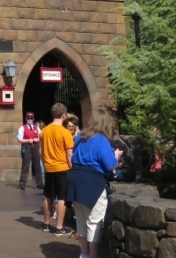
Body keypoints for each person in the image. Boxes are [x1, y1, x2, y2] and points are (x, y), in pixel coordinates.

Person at [66, 110, 123, 258]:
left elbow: (73, 158)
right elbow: (110, 164)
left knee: (81, 222)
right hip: (92, 184)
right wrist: (116, 156)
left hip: (74, 181)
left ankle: (84, 255)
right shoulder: (101, 139)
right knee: (94, 224)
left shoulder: (80, 137)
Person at [40, 102, 74, 235]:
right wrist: (72, 168)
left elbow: (41, 152)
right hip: (62, 168)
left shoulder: (44, 131)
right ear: (64, 115)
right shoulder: (65, 132)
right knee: (61, 197)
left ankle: (46, 224)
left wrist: (45, 163)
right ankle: (59, 227)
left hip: (49, 168)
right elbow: (69, 154)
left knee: (48, 196)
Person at [17, 111, 44, 190]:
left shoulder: (37, 128)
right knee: (25, 165)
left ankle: (39, 183)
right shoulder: (22, 128)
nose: (29, 120)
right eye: (28, 118)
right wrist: (27, 140)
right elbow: (19, 139)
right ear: (26, 119)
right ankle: (22, 183)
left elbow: (41, 137)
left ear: (33, 119)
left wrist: (37, 139)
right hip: (27, 147)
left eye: (31, 118)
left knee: (37, 165)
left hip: (35, 146)